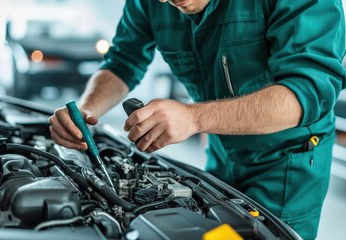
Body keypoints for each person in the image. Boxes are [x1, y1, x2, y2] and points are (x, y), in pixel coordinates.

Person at [49, 0, 346, 239]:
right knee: (216, 231)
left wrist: (194, 117)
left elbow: (305, 93)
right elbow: (122, 61)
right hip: (222, 149)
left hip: (288, 163)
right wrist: (87, 110)